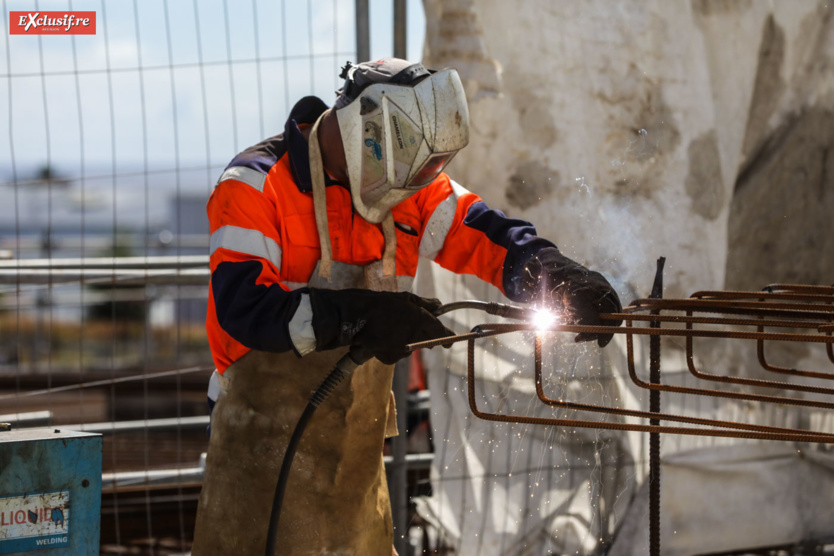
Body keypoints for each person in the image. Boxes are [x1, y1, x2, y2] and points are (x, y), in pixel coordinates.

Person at [192, 58, 622, 555]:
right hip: (261, 439)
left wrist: (550, 275)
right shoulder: (253, 185)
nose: (411, 187)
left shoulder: (400, 185)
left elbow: (484, 233)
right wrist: (362, 317)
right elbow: (246, 309)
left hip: (355, 443)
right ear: (365, 127)